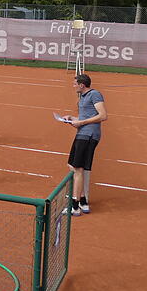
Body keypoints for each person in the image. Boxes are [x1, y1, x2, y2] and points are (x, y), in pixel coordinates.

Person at [62, 74, 107, 216]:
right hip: (83, 134)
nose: (73, 85)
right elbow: (85, 118)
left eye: (75, 83)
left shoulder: (95, 94)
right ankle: (82, 200)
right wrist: (72, 119)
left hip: (89, 136)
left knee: (77, 168)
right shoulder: (82, 98)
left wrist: (80, 123)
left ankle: (74, 206)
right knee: (73, 166)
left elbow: (103, 115)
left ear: (82, 85)